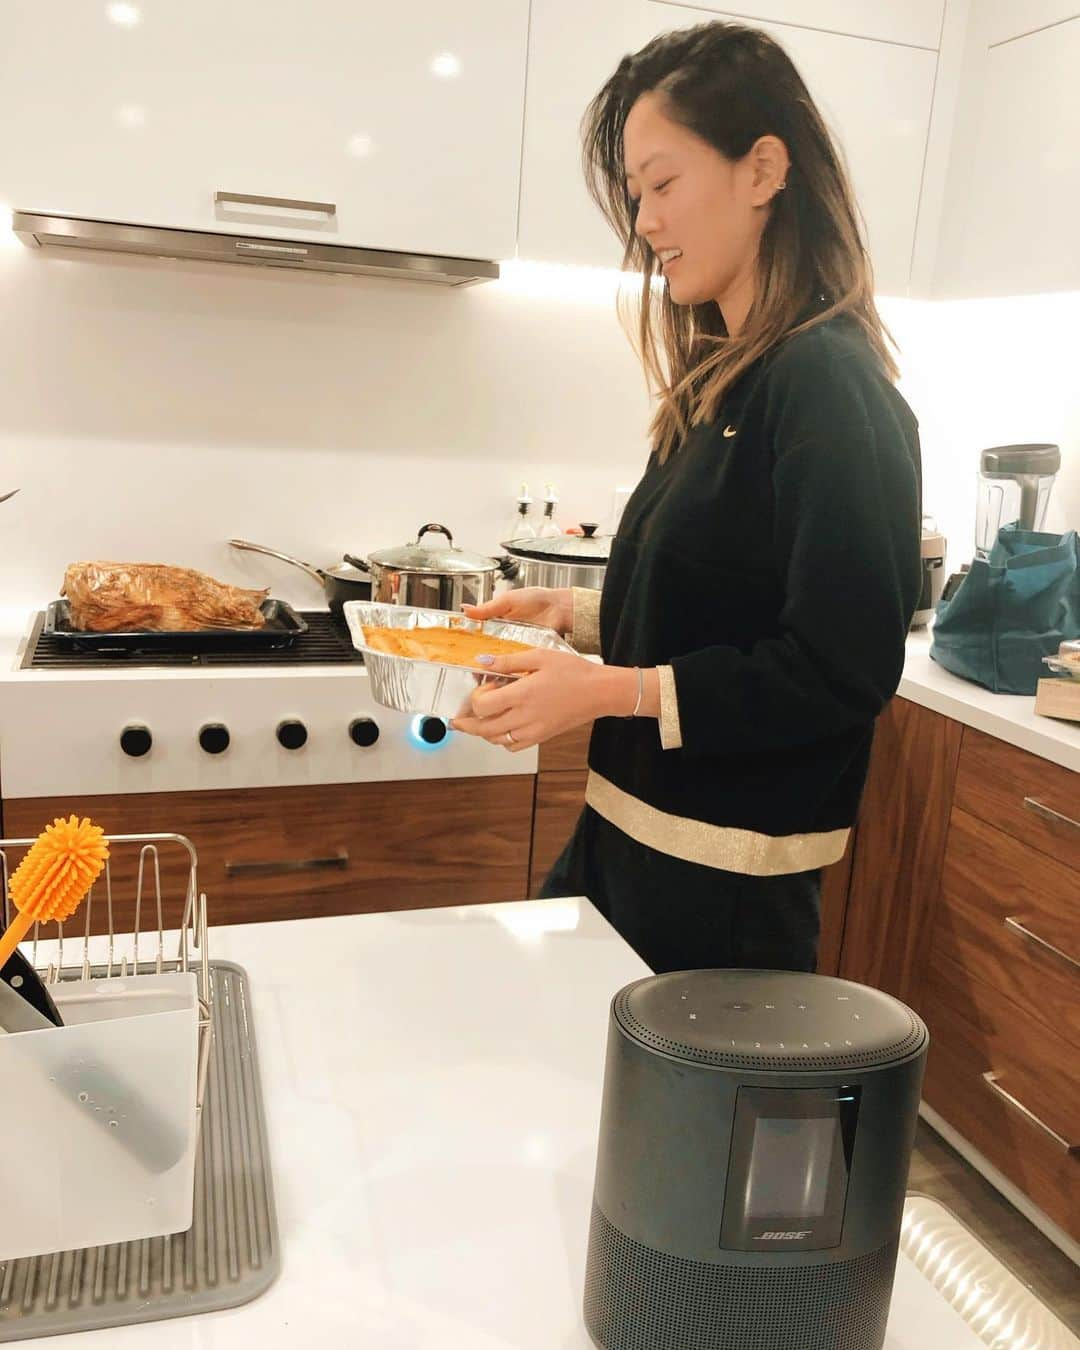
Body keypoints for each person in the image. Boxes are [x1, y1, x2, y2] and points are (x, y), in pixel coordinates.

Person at [450, 20, 922, 976]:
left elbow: (841, 670)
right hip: (627, 839)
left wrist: (609, 691)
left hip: (724, 892)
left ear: (763, 170)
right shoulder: (723, 380)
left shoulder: (829, 385)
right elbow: (729, 599)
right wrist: (579, 615)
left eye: (662, 184)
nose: (646, 223)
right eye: (635, 196)